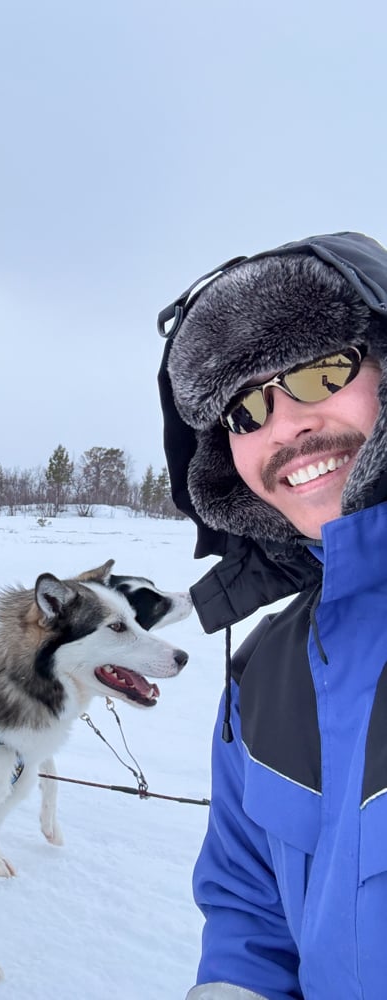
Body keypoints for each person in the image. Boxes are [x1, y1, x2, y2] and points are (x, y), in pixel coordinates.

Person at [157, 232, 387, 1000]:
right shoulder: (263, 674)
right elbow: (249, 902)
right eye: (246, 407)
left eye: (322, 371)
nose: (284, 425)